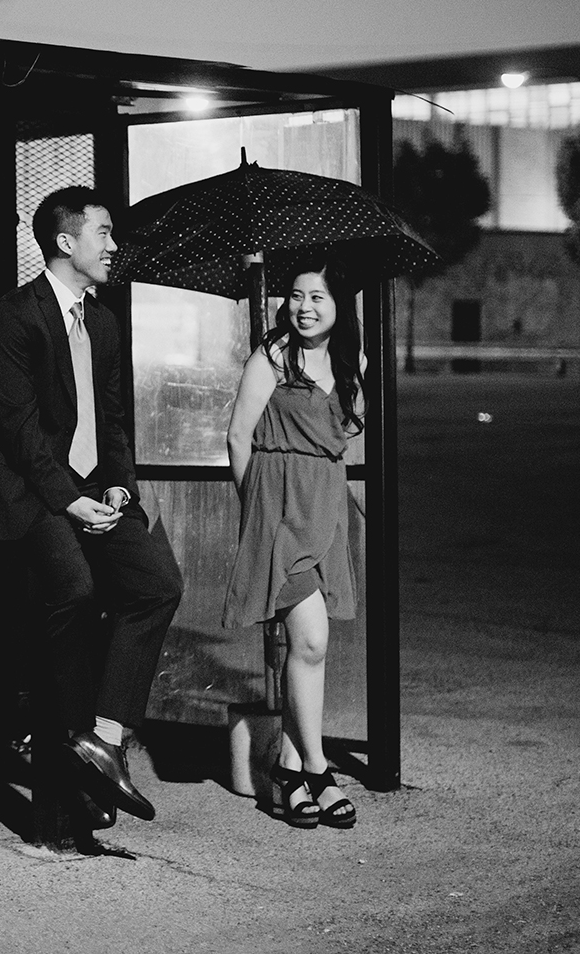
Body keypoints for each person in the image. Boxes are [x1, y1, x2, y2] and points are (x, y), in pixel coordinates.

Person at [0, 186, 184, 829]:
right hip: (34, 491)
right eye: (104, 233)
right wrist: (71, 502)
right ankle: (69, 759)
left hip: (98, 487)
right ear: (67, 242)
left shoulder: (103, 320)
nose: (114, 245)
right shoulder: (16, 314)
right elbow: (19, 429)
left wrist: (119, 488)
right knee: (72, 587)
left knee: (156, 585)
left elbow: (114, 418)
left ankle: (103, 739)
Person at [224, 255, 362, 830]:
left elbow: (348, 445)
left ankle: (286, 769)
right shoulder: (273, 355)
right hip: (277, 506)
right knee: (310, 636)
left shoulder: (352, 362)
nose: (304, 307)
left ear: (339, 307)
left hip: (323, 506)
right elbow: (237, 434)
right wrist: (256, 507)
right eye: (298, 296)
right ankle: (318, 769)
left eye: (318, 298)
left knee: (311, 649)